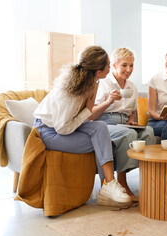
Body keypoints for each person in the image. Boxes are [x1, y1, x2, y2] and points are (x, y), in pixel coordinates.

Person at [33, 46, 131, 207]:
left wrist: (88, 109)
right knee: (102, 141)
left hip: (62, 126)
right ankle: (108, 188)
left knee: (100, 128)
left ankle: (108, 185)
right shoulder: (72, 93)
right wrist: (88, 109)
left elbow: (77, 120)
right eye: (107, 64)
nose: (109, 66)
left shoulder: (89, 82)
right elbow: (62, 129)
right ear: (98, 71)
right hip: (48, 132)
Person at [90, 47, 156, 202]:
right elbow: (92, 113)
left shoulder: (132, 86)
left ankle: (150, 179)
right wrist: (109, 101)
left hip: (124, 123)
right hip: (104, 122)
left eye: (131, 65)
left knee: (148, 132)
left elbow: (132, 110)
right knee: (129, 134)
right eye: (124, 65)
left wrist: (131, 120)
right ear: (114, 65)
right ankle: (122, 182)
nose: (129, 69)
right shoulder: (104, 84)